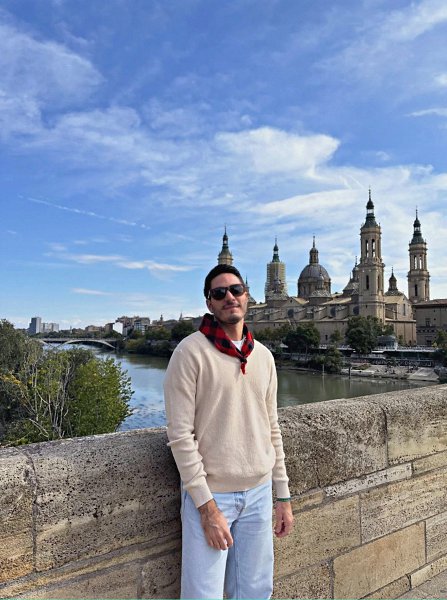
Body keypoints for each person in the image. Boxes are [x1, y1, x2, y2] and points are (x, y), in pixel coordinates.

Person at [164, 264, 293, 599]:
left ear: (247, 296)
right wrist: (206, 507)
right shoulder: (189, 352)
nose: (229, 297)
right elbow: (180, 436)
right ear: (209, 303)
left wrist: (282, 496)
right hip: (212, 496)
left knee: (256, 592)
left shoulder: (263, 356)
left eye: (236, 290)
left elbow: (272, 428)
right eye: (219, 293)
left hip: (259, 493)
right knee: (203, 595)